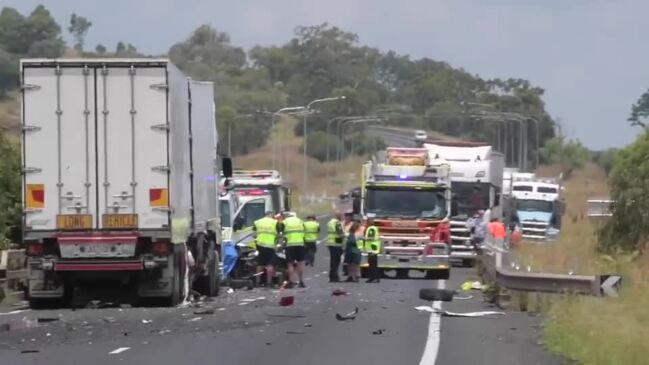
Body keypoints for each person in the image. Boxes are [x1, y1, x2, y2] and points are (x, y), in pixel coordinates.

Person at [253, 211, 279, 287]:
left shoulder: (258, 222)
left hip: (260, 245)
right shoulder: (275, 222)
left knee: (260, 263)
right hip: (270, 245)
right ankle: (269, 282)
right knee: (270, 264)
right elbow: (279, 234)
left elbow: (254, 235)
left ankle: (257, 282)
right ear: (272, 215)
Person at [283, 212, 307, 288]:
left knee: (290, 264)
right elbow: (305, 232)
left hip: (289, 245)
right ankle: (301, 281)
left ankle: (291, 281)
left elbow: (280, 233)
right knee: (301, 263)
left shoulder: (285, 222)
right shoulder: (300, 221)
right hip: (300, 244)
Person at [326, 214, 345, 282]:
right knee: (336, 261)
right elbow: (340, 233)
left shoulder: (330, 222)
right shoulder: (337, 223)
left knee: (333, 260)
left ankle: (332, 276)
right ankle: (334, 276)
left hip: (330, 242)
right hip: (336, 243)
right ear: (338, 216)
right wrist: (345, 236)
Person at [363, 218, 382, 283]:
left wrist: (363, 238)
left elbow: (370, 237)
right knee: (373, 265)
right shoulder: (374, 228)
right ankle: (374, 278)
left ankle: (373, 278)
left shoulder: (371, 228)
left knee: (372, 265)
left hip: (372, 249)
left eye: (367, 222)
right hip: (373, 248)